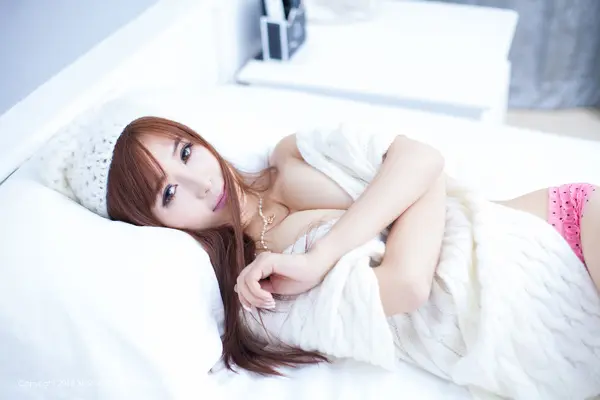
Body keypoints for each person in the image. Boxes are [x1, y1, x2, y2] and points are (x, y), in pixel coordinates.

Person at [48, 115, 600, 378]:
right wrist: (416, 184)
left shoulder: (293, 152)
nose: (200, 183)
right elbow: (406, 285)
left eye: (186, 152)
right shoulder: (259, 286)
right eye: (169, 193)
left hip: (556, 221)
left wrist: (321, 256)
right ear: (151, 225)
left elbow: (425, 159)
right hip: (536, 314)